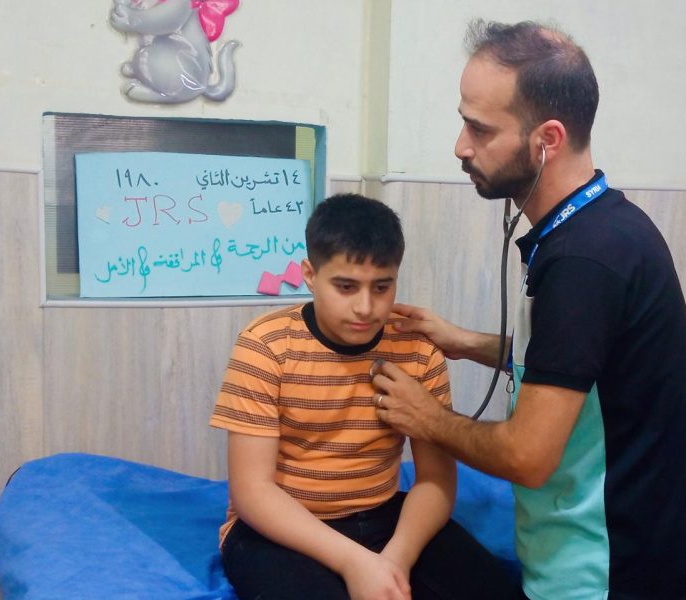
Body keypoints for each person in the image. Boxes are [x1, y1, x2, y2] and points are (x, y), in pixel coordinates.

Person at [369, 20, 686, 600]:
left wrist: (426, 419)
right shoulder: (594, 230)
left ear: (546, 139)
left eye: (479, 128)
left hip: (607, 578)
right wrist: (466, 342)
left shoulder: (585, 262)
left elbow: (528, 455)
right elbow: (581, 368)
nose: (460, 145)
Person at [209, 193, 519, 600]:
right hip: (279, 527)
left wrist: (395, 561)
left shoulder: (417, 350)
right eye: (345, 286)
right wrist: (354, 562)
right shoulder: (265, 346)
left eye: (382, 287)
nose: (365, 307)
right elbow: (252, 492)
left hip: (384, 518)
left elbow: (436, 481)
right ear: (310, 274)